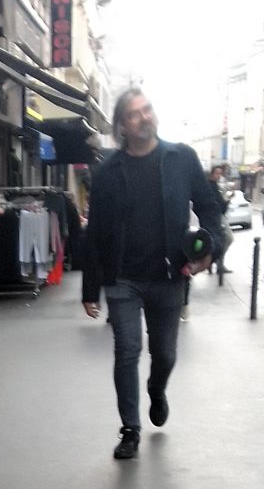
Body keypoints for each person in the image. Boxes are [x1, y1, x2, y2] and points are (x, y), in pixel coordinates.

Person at [82, 88, 223, 459]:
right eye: (134, 114)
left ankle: (156, 389)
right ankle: (130, 430)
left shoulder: (181, 158)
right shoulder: (108, 172)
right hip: (123, 278)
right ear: (122, 127)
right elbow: (95, 231)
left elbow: (209, 207)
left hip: (168, 276)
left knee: (165, 355)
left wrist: (209, 248)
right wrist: (90, 288)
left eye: (147, 109)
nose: (144, 117)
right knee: (127, 350)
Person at [207, 164, 234, 275]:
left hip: (215, 216)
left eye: (220, 174)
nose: (219, 176)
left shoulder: (215, 186)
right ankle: (216, 262)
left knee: (219, 240)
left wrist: (227, 200)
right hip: (215, 216)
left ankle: (214, 262)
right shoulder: (211, 186)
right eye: (217, 173)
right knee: (228, 238)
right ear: (212, 174)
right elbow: (218, 204)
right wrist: (227, 201)